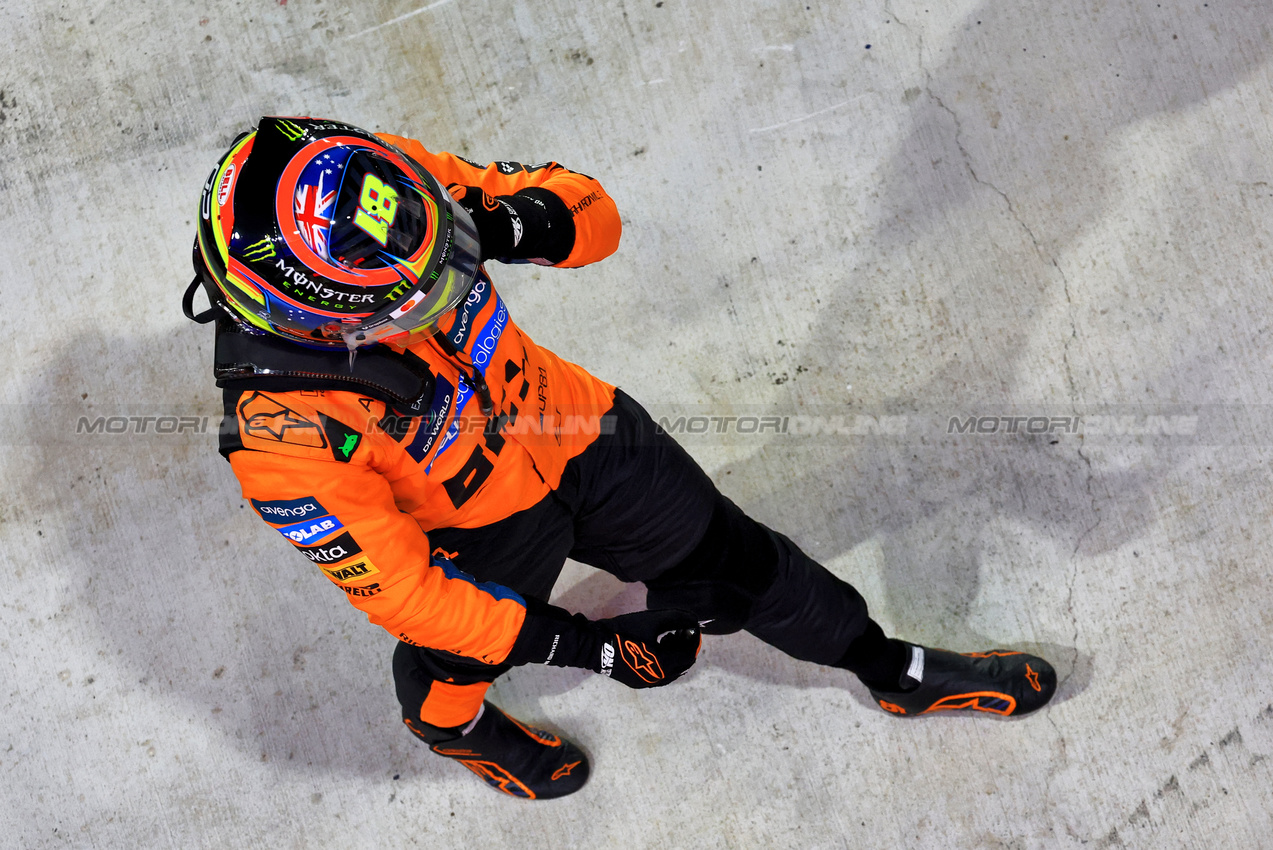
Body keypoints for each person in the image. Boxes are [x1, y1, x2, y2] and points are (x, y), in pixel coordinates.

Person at [185, 116, 1057, 800]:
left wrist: (498, 222)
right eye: (413, 301)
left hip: (579, 430)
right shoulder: (278, 439)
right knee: (453, 656)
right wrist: (587, 648)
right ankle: (448, 726)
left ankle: (888, 670)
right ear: (314, 319)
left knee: (740, 562)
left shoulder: (375, 179)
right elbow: (411, 597)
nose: (444, 288)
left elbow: (593, 213)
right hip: (473, 529)